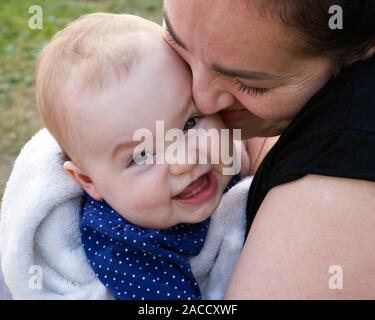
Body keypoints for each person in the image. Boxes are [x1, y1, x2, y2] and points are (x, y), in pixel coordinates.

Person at [163, 0, 375, 299]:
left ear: (362, 47)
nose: (201, 98)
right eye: (176, 40)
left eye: (250, 85)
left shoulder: (349, 157)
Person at [33, 12, 249, 300]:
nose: (184, 161)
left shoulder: (232, 154)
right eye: (143, 154)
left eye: (189, 123)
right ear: (89, 181)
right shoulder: (126, 249)